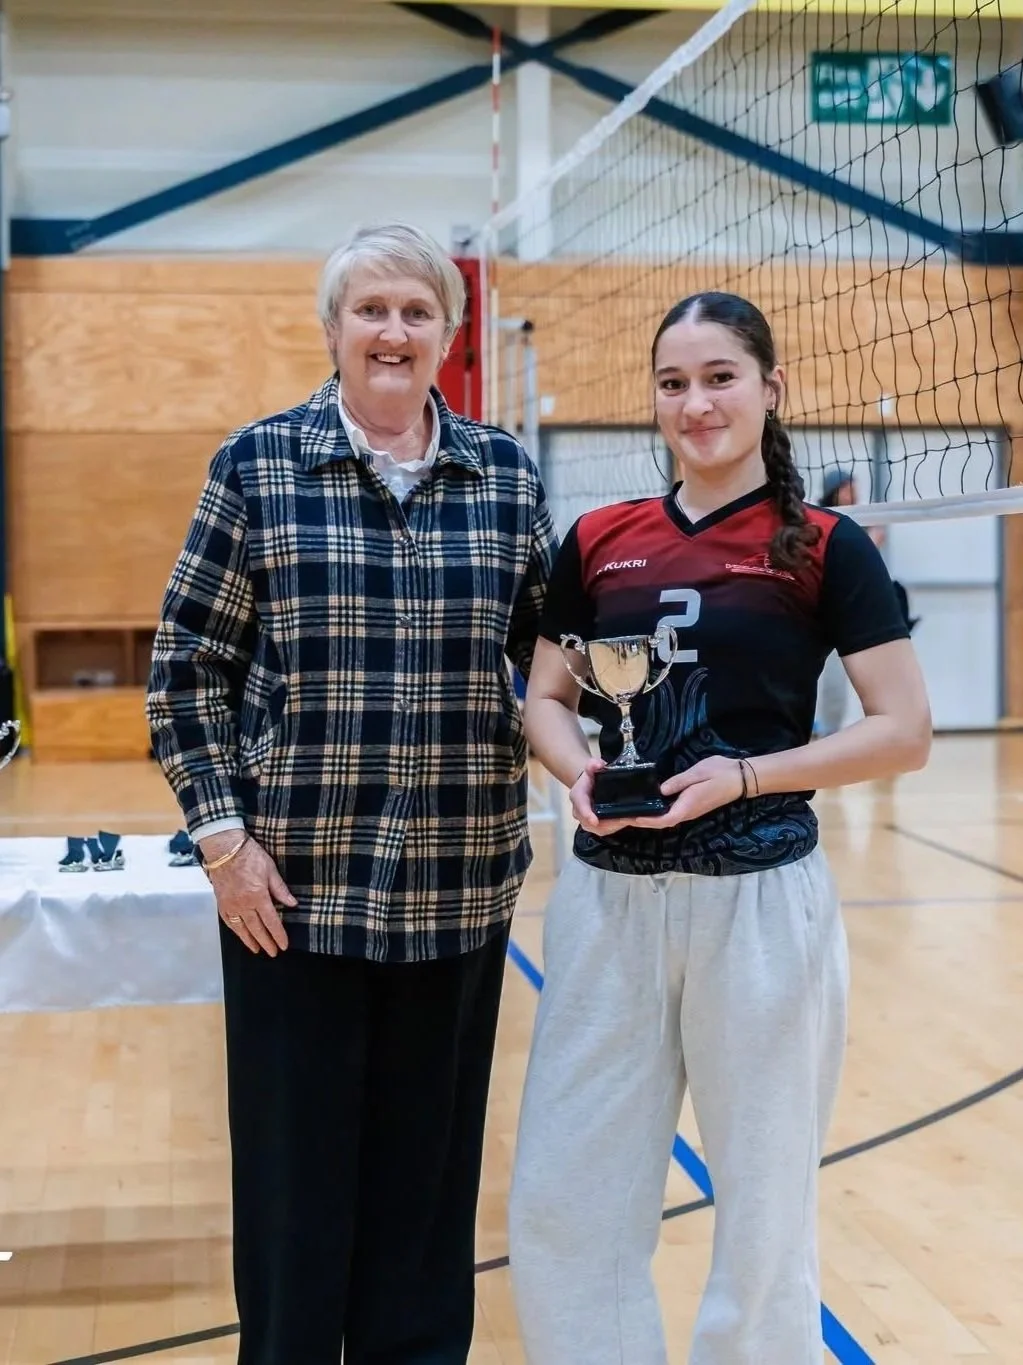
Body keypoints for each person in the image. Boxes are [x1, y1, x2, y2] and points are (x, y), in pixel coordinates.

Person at [146, 222, 558, 1365]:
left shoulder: (507, 477)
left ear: (447, 337)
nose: (392, 331)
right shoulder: (257, 464)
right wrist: (226, 850)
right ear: (332, 331)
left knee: (425, 1216)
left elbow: (556, 668)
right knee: (294, 1207)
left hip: (457, 897)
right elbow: (185, 672)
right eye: (370, 310)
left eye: (416, 312)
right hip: (291, 904)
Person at [507, 291, 931, 1365]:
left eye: (719, 377)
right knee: (567, 1201)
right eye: (673, 383)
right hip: (609, 904)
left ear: (769, 387)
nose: (696, 404)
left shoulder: (825, 547)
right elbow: (548, 699)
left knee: (764, 1216)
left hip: (759, 906)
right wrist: (581, 771)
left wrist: (747, 777)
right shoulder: (598, 540)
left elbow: (904, 730)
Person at [814, 468, 917, 736]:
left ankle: (885, 735)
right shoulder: (817, 522)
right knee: (828, 684)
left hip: (853, 617)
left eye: (854, 486)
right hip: (819, 615)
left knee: (874, 682)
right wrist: (871, 542)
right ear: (835, 490)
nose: (854, 492)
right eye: (848, 486)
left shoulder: (863, 520)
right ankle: (824, 736)